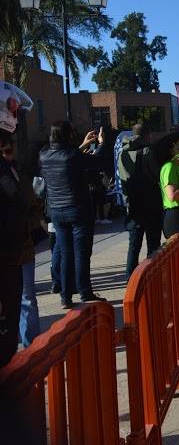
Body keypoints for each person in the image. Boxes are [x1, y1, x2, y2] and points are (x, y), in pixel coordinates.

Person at [40, 121, 108, 309]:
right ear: (67, 135)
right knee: (82, 253)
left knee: (66, 252)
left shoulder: (44, 155)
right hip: (78, 209)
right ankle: (85, 292)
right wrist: (101, 143)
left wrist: (83, 145)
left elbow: (66, 156)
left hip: (57, 211)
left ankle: (65, 296)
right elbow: (97, 160)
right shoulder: (72, 156)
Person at [1, 136, 44, 348]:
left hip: (21, 250)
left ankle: (31, 348)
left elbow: (34, 209)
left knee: (26, 299)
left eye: (7, 151)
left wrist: (22, 228)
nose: (4, 157)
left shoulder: (18, 177)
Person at [119, 123, 163, 278]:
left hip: (133, 203)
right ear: (148, 135)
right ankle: (152, 274)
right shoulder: (148, 152)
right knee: (153, 242)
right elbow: (157, 175)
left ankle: (130, 277)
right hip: (151, 201)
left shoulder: (122, 152)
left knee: (134, 244)